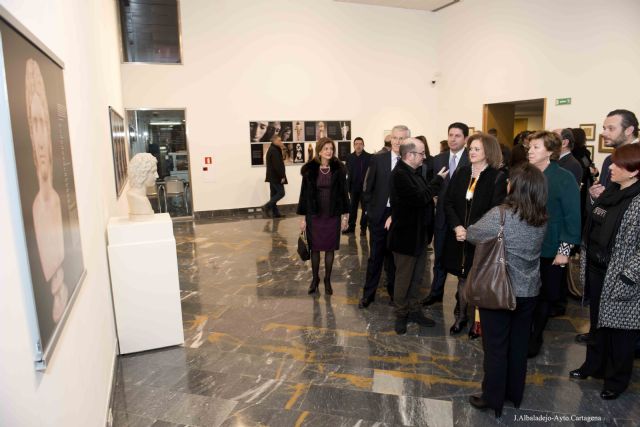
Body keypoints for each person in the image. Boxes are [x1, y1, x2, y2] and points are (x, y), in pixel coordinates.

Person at [466, 164, 548, 418]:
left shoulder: (500, 215)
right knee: (519, 345)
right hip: (529, 290)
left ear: (515, 187)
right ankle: (515, 393)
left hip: (499, 290)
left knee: (496, 347)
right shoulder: (542, 217)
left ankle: (493, 397)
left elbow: (471, 234)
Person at [569, 143, 640, 400]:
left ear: (634, 171)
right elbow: (597, 218)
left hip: (622, 277)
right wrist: (591, 197)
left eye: (619, 165)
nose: (612, 168)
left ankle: (616, 380)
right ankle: (594, 366)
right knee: (598, 323)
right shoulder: (612, 191)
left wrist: (628, 276)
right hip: (599, 270)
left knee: (621, 332)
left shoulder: (637, 199)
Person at [444, 133, 507, 337]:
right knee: (462, 278)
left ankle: (476, 323)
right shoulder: (462, 172)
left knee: (477, 280)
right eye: (471, 148)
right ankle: (461, 316)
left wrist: (471, 232)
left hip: (481, 239)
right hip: (458, 236)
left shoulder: (497, 176)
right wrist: (457, 227)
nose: (471, 151)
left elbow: (495, 211)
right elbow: (449, 202)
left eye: (476, 149)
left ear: (488, 152)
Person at [527, 131, 581, 357]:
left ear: (550, 151)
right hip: (522, 248)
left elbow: (572, 216)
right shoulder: (523, 174)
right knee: (525, 297)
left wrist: (564, 250)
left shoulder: (563, 177)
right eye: (530, 146)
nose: (530, 150)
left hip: (550, 249)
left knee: (543, 297)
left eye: (536, 147)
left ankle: (534, 338)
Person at [388, 137, 447, 334]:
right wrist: (437, 181)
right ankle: (401, 314)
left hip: (419, 236)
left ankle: (414, 310)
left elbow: (423, 196)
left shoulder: (414, 172)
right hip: (405, 238)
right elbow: (421, 198)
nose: (424, 156)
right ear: (410, 155)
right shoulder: (400, 175)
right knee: (404, 279)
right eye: (421, 153)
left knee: (417, 278)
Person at [26, 58, 68, 323]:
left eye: (43, 122)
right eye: (34, 124)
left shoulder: (56, 200)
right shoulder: (37, 209)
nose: (40, 139)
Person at [358, 125, 408, 308]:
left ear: (407, 141)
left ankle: (395, 294)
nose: (398, 141)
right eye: (395, 138)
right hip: (379, 216)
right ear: (390, 139)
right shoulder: (378, 160)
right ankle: (368, 294)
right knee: (375, 257)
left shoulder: (411, 162)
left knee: (394, 258)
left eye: (402, 138)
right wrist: (370, 212)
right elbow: (367, 188)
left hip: (399, 217)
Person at [423, 123, 470, 307]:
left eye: (457, 135)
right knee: (439, 258)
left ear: (465, 139)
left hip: (461, 220)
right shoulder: (438, 159)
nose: (453, 138)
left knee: (461, 262)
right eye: (450, 135)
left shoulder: (471, 158)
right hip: (442, 218)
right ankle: (436, 293)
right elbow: (433, 186)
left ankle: (461, 301)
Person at [297, 137, 350, 296]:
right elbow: (304, 195)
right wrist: (303, 218)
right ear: (319, 151)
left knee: (329, 248)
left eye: (331, 149)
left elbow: (343, 194)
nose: (329, 151)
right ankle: (315, 279)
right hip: (315, 215)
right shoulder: (310, 170)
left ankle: (327, 279)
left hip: (332, 214)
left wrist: (345, 217)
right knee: (314, 249)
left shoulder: (339, 169)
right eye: (326, 148)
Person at [589, 109, 639, 198]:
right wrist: (596, 196)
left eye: (611, 128)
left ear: (629, 130)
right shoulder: (609, 159)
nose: (603, 133)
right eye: (604, 128)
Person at [344, 137, 372, 235]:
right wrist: (347, 187)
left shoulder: (369, 157)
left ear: (363, 145)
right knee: (352, 208)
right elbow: (347, 173)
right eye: (356, 144)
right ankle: (351, 227)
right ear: (354, 145)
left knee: (365, 209)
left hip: (365, 189)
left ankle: (363, 228)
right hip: (353, 188)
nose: (358, 146)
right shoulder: (349, 157)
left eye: (360, 144)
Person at [262, 135, 288, 218]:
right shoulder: (274, 150)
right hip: (276, 177)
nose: (281, 142)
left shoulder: (274, 149)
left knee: (273, 195)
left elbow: (282, 159)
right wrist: (282, 176)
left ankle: (275, 213)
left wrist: (283, 149)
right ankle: (266, 206)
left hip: (272, 176)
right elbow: (278, 166)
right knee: (281, 193)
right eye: (279, 140)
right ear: (274, 141)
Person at [127, 153, 159, 218]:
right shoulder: (140, 200)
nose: (157, 176)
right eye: (153, 172)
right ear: (142, 173)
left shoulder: (135, 195)